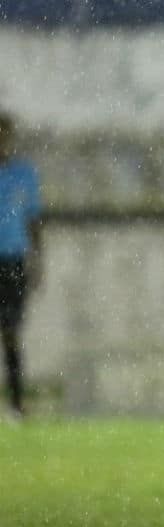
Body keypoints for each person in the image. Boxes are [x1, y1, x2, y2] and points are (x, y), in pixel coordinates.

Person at [0, 112, 43, 420]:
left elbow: (32, 219)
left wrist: (38, 258)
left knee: (12, 330)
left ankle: (16, 403)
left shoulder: (23, 174)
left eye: (5, 134)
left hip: (14, 259)